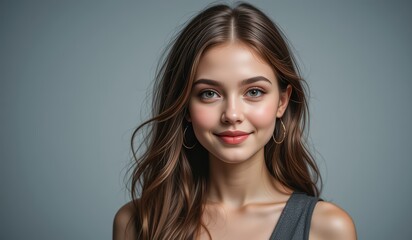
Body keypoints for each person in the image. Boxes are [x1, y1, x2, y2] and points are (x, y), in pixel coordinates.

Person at [113, 2, 356, 240]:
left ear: (282, 102)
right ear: (185, 104)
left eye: (254, 92)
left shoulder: (328, 229)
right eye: (209, 93)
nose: (231, 114)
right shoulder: (136, 222)